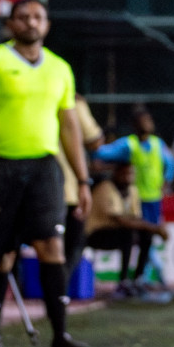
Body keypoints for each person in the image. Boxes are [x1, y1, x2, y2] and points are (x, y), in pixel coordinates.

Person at [0, 0, 92, 347]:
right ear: (11, 24)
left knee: (52, 246)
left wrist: (83, 180)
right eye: (23, 17)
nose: (31, 22)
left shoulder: (60, 69)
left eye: (37, 17)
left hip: (43, 170)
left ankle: (60, 336)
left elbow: (69, 128)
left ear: (47, 25)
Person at [94, 106, 174, 284]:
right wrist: (96, 145)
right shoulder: (128, 144)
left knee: (148, 237)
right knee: (141, 233)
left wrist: (167, 181)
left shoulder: (157, 144)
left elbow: (171, 163)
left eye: (148, 120)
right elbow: (102, 153)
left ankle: (143, 276)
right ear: (134, 125)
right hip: (134, 200)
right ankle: (145, 276)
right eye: (142, 121)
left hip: (154, 199)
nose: (147, 124)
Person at [86, 161, 167, 297]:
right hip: (95, 235)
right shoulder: (106, 188)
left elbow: (136, 218)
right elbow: (121, 220)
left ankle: (138, 279)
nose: (128, 177)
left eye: (130, 174)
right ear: (116, 174)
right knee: (128, 233)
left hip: (118, 233)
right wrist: (156, 228)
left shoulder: (133, 190)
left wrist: (152, 229)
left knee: (145, 235)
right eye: (124, 173)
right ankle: (123, 282)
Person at [58, 95, 105, 279]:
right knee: (70, 246)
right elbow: (95, 141)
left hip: (32, 185)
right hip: (68, 187)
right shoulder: (70, 101)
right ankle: (58, 294)